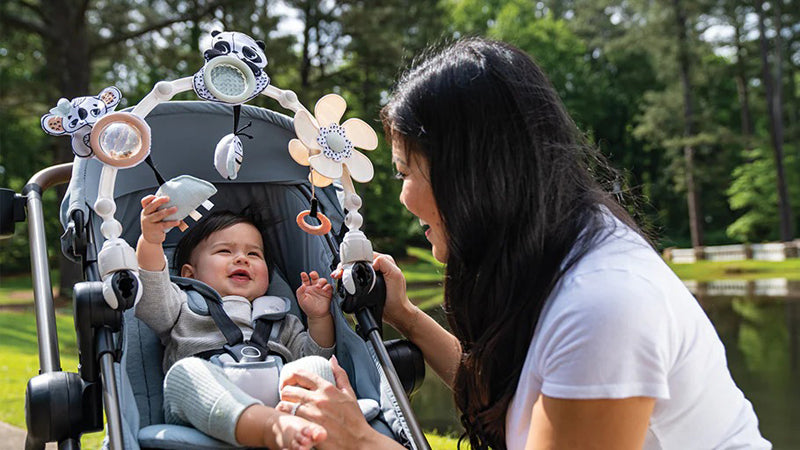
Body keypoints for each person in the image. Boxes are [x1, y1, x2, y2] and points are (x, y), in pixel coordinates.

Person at [276, 37, 771, 450]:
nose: (403, 199)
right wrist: (404, 314)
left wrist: (362, 441)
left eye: (406, 172)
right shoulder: (566, 242)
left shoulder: (604, 306)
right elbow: (504, 401)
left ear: (469, 175)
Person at [136, 195, 335, 449]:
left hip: (284, 406)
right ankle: (271, 427)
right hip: (205, 409)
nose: (242, 259)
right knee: (186, 373)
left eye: (254, 253)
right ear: (189, 274)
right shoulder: (182, 304)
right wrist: (151, 241)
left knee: (315, 366)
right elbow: (152, 295)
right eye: (224, 251)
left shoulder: (282, 319)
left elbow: (320, 355)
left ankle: (306, 431)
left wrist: (319, 317)